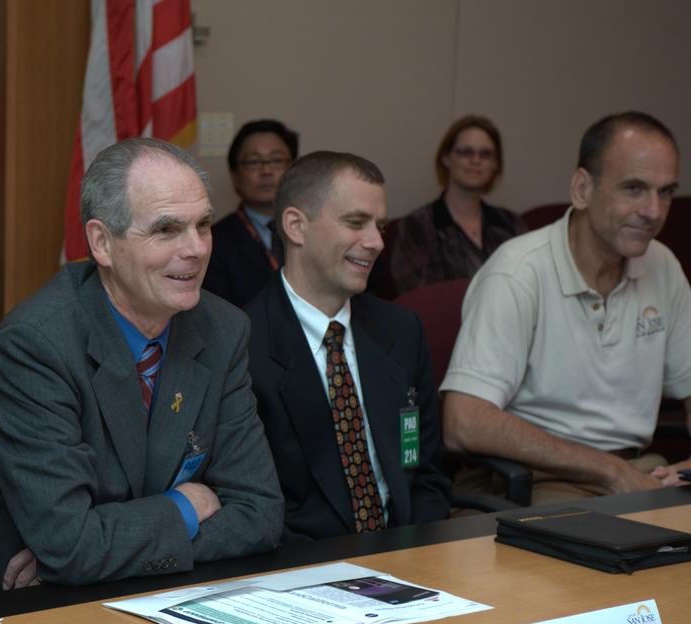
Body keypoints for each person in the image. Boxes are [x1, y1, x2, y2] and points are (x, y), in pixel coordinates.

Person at [0, 137, 284, 596]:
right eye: (167, 230)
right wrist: (187, 505)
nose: (196, 248)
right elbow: (71, 543)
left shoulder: (223, 328)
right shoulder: (37, 343)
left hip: (141, 591)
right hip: (11, 595)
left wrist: (103, 552)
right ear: (102, 243)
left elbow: (259, 515)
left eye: (203, 225)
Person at [441, 112, 691, 503]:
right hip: (535, 480)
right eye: (634, 188)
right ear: (582, 189)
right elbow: (464, 422)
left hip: (639, 473)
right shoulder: (518, 270)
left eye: (666, 192)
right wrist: (610, 471)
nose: (654, 212)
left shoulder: (662, 265)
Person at [244, 152, 451, 540]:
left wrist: (417, 554)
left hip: (409, 553)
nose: (376, 243)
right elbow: (250, 508)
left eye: (380, 227)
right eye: (356, 223)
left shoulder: (402, 330)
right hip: (301, 563)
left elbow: (426, 474)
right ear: (296, 226)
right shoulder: (243, 346)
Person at [390, 115, 526, 294]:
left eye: (485, 154)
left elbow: (531, 284)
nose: (476, 160)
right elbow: (418, 297)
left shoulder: (511, 224)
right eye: (466, 152)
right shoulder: (417, 226)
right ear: (446, 158)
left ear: (495, 164)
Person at [202, 119, 299, 307]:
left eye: (277, 160)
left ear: (293, 170)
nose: (266, 170)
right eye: (254, 162)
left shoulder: (318, 230)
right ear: (235, 176)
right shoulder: (212, 242)